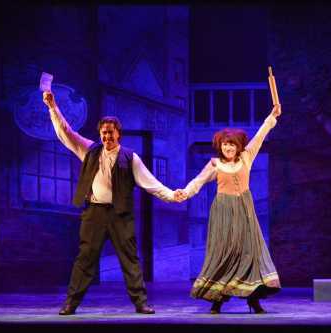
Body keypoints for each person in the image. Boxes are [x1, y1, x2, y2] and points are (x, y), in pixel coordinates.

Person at [42, 91, 182, 315]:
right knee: (85, 258)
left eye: (111, 133)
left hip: (120, 215)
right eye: (104, 133)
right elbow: (66, 132)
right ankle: (71, 303)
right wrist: (52, 107)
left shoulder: (130, 157)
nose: (107, 137)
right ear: (99, 134)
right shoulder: (89, 150)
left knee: (130, 259)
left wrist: (171, 195)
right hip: (95, 213)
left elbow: (150, 183)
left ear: (119, 135)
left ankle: (140, 303)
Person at [175, 104, 282, 314]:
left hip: (244, 210)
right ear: (220, 146)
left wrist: (272, 116)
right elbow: (198, 181)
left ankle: (254, 299)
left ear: (238, 146)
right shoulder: (215, 164)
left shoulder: (246, 158)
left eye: (232, 145)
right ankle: (217, 300)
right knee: (223, 253)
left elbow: (260, 135)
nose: (229, 148)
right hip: (223, 212)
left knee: (249, 253)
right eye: (225, 145)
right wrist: (184, 193)